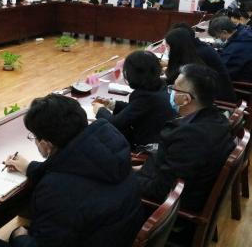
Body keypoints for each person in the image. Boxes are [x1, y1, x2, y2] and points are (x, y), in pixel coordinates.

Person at [0, 94, 143, 247]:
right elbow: (72, 167)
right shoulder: (112, 151)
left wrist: (18, 236)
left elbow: (65, 183)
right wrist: (28, 167)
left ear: (46, 144)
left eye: (34, 137)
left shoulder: (56, 189)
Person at [137, 64, 234, 216]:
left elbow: (159, 190)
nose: (170, 92)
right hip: (179, 184)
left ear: (186, 99)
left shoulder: (189, 138)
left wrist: (127, 178)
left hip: (174, 210)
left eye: (174, 89)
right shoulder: (218, 118)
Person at [94, 50, 175, 149]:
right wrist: (112, 104)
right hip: (161, 138)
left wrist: (100, 110)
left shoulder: (146, 97)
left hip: (146, 147)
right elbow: (135, 109)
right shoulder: (160, 85)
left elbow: (115, 124)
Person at [164, 27, 236, 102]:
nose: (167, 50)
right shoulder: (193, 56)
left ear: (176, 47)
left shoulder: (189, 68)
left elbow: (175, 92)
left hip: (219, 102)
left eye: (167, 46)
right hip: (217, 96)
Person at [209, 15, 252, 82]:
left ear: (224, 32)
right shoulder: (244, 31)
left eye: (218, 36)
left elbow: (224, 73)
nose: (217, 39)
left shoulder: (235, 48)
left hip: (242, 83)